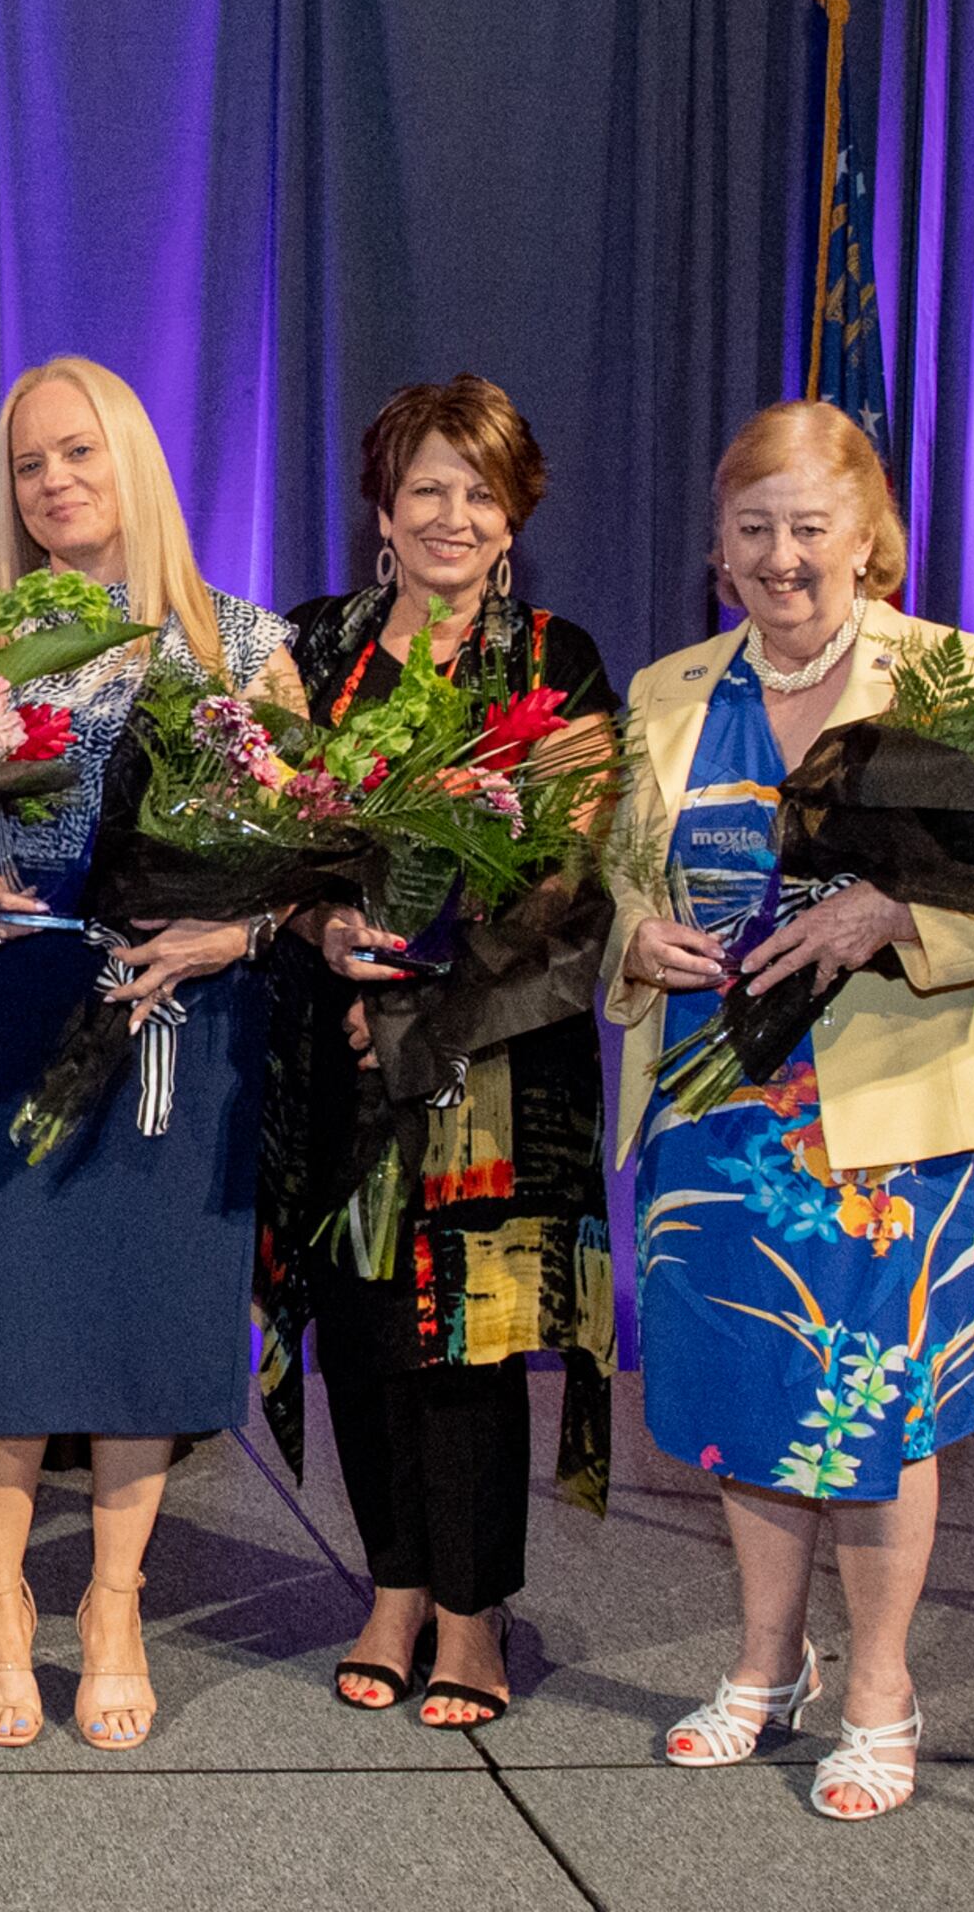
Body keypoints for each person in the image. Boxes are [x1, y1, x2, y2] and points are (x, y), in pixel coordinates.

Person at [609, 400, 974, 1822]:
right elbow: (613, 882)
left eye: (811, 526)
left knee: (871, 1408)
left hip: (898, 1126)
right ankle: (765, 1667)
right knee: (749, 1399)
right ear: (717, 548)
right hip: (712, 1115)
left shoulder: (958, 678)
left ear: (870, 538)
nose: (783, 556)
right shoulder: (668, 691)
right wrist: (631, 938)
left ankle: (880, 1690)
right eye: (753, 528)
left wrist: (897, 915)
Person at [0, 355, 304, 1752]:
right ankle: (0, 1601)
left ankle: (116, 1602)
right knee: (10, 1312)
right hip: (26, 997)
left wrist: (235, 932)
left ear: (133, 459)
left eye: (78, 452)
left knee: (149, 1318)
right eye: (29, 463)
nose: (55, 480)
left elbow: (312, 855)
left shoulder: (244, 646)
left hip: (186, 1016)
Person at [260, 375, 620, 1731]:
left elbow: (567, 875)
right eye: (426, 487)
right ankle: (394, 1588)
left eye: (480, 490)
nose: (451, 515)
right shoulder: (311, 648)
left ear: (515, 514)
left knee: (470, 1332)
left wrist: (422, 989)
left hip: (492, 1051)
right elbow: (266, 837)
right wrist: (324, 926)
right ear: (383, 508)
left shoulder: (558, 662)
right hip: (335, 1041)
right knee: (360, 1321)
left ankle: (473, 1615)